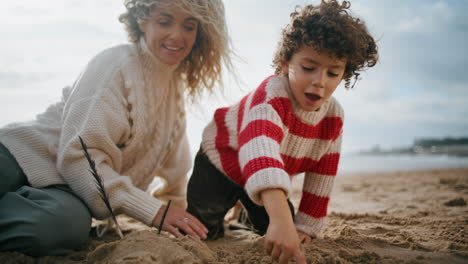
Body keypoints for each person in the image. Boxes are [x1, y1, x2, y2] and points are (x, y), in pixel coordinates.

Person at [0, 0, 232, 257]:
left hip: (66, 190)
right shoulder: (115, 64)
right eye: (164, 21)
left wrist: (184, 215)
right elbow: (79, 156)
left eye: (189, 27)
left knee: (64, 227)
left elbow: (176, 171)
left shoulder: (174, 92)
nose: (177, 35)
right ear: (142, 21)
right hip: (18, 155)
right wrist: (152, 210)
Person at [186, 0, 378, 263]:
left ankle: (243, 213)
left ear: (345, 73)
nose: (319, 82)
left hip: (265, 175)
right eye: (309, 68)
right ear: (286, 62)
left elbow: (322, 174)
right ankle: (226, 210)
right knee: (204, 230)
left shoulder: (333, 116)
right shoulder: (272, 95)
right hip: (221, 159)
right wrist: (280, 219)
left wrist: (306, 226)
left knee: (278, 231)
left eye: (333, 73)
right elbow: (259, 149)